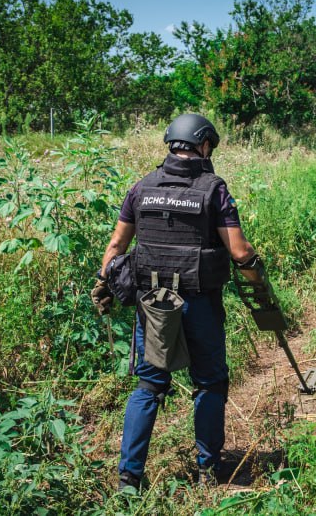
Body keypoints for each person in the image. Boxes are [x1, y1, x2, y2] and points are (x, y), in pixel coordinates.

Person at [91, 113, 261, 491]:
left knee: (149, 386)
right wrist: (258, 281)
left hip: (152, 302)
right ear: (201, 144)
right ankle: (207, 470)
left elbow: (117, 245)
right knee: (210, 382)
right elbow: (239, 250)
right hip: (198, 302)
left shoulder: (142, 186)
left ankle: (129, 479)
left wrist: (103, 281)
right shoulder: (212, 188)